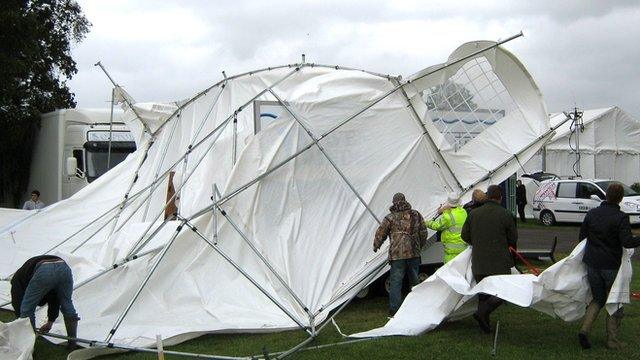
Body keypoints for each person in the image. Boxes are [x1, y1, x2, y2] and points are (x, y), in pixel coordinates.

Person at [577, 182, 640, 350]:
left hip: (592, 264)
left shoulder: (592, 213)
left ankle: (584, 330)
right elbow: (627, 242)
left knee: (597, 299)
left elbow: (582, 238)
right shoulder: (621, 217)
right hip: (611, 265)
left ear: (606, 195)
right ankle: (612, 340)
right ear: (620, 199)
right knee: (616, 301)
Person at [461, 185, 517, 333]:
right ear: (500, 198)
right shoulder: (506, 214)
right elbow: (513, 239)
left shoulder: (473, 214)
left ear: (487, 196)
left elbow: (464, 236)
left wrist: (478, 242)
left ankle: (484, 325)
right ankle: (481, 314)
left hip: (479, 261)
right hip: (500, 262)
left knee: (483, 294)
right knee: (502, 292)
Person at [373, 193, 428, 316]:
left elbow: (380, 233)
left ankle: (395, 311)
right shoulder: (416, 215)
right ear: (405, 200)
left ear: (393, 202)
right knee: (415, 281)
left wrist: (376, 245)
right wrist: (420, 246)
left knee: (396, 283)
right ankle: (418, 307)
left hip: (397, 256)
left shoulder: (390, 218)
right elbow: (423, 232)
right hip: (414, 254)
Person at [10, 255, 79, 350]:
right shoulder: (24, 276)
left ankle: (29, 347)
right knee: (67, 304)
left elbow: (20, 306)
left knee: (26, 309)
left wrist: (22, 320)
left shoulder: (17, 282)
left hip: (44, 269)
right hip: (64, 267)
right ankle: (72, 343)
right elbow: (55, 298)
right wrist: (50, 322)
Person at [426, 193, 468, 263]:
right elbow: (454, 215)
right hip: (463, 247)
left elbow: (436, 225)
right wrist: (444, 210)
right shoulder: (463, 212)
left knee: (450, 271)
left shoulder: (447, 217)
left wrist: (425, 222)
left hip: (451, 250)